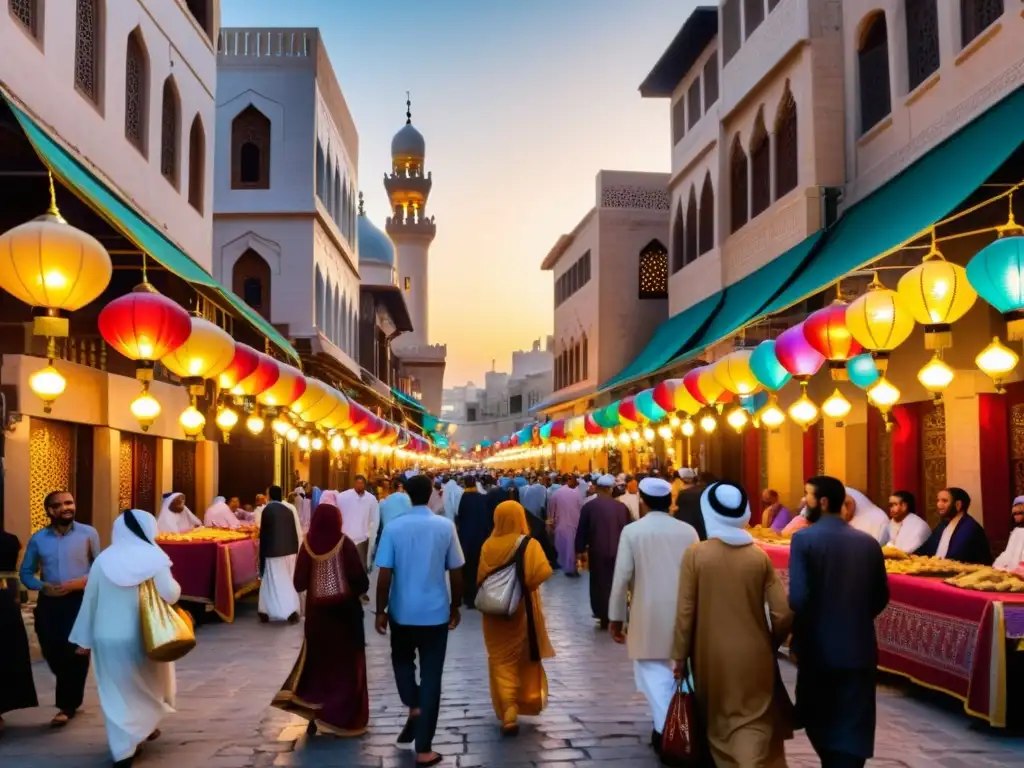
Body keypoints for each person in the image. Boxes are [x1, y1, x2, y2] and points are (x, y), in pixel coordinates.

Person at [672, 482, 794, 767]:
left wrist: (679, 655)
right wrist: (771, 641)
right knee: (756, 720)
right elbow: (782, 612)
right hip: (755, 654)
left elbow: (685, 611)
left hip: (710, 655)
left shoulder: (696, 554)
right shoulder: (759, 556)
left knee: (719, 723)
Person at [790, 475, 889, 768]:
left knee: (818, 714)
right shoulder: (868, 543)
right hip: (859, 645)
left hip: (818, 648)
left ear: (822, 501)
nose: (804, 501)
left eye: (807, 495)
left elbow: (798, 598)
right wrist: (854, 616)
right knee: (854, 717)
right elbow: (880, 595)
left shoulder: (804, 539)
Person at [68, 509, 179, 766]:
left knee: (116, 693)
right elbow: (170, 594)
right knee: (149, 685)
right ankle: (143, 728)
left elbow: (90, 601)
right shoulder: (154, 558)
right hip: (145, 636)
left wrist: (83, 640)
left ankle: (123, 749)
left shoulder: (103, 560)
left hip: (106, 638)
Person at [375, 474, 465, 767]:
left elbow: (384, 574)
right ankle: (424, 747)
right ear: (430, 495)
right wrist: (455, 606)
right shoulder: (444, 526)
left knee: (401, 661)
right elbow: (456, 570)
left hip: (402, 611)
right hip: (435, 613)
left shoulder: (393, 527)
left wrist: (381, 610)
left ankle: (413, 704)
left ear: (405, 495)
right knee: (432, 677)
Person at [609, 477, 699, 755]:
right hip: (686, 609)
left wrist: (615, 616)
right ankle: (673, 723)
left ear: (644, 502)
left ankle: (666, 730)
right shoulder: (688, 531)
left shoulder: (633, 531)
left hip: (647, 610)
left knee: (651, 669)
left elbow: (622, 576)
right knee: (681, 669)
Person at [273, 502, 370, 737]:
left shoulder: (307, 544)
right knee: (345, 666)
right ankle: (342, 717)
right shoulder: (344, 543)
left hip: (318, 617)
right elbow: (360, 579)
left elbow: (299, 583)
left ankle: (318, 713)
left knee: (319, 665)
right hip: (345, 616)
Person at [20, 490, 99, 727]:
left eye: (70, 502)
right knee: (52, 650)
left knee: (75, 652)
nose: (67, 507)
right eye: (60, 504)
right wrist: (42, 586)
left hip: (79, 601)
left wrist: (80, 582)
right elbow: (26, 572)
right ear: (50, 511)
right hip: (50, 602)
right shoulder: (38, 539)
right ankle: (69, 690)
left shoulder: (88, 533)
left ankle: (67, 705)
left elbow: (99, 566)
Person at [478, 500, 554, 735]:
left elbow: (480, 577)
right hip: (520, 609)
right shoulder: (528, 544)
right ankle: (520, 702)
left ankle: (508, 707)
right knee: (519, 655)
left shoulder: (488, 545)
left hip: (492, 614)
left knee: (500, 660)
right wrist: (523, 582)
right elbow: (543, 571)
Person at [575, 475, 631, 629]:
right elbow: (629, 529)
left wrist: (579, 550)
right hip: (619, 550)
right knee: (617, 582)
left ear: (599, 488)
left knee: (599, 583)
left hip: (597, 551)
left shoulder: (589, 507)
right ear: (610, 489)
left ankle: (603, 614)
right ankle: (617, 614)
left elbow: (582, 530)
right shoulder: (621, 507)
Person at [0, 522, 37, 735]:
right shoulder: (13, 540)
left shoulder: (11, 540)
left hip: (4, 598)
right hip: (7, 597)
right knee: (7, 650)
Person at [258, 485, 303, 624]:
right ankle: (273, 610)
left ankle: (278, 610)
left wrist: (261, 555)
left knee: (272, 581)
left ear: (270, 495)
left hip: (272, 553)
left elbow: (264, 535)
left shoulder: (267, 510)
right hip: (288, 552)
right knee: (284, 580)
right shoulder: (287, 509)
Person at [915, 487, 992, 565]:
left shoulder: (970, 528)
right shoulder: (943, 525)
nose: (939, 505)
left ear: (958, 505)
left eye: (944, 501)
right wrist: (908, 557)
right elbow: (926, 548)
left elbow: (956, 558)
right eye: (938, 500)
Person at [456, 475, 492, 609]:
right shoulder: (481, 498)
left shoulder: (464, 498)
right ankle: (479, 594)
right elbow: (485, 517)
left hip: (466, 538)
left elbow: (460, 516)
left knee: (468, 568)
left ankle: (468, 598)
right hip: (480, 537)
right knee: (478, 566)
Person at [337, 476, 379, 571]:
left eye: (361, 483)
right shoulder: (343, 497)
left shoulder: (371, 499)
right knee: (345, 566)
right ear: (354, 484)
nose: (359, 485)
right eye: (357, 483)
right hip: (346, 537)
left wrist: (369, 534)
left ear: (365, 485)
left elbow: (375, 518)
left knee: (360, 566)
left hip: (362, 538)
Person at [549, 475, 583, 577]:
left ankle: (567, 568)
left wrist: (551, 526)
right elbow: (582, 508)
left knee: (564, 548)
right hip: (575, 524)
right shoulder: (576, 494)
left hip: (561, 526)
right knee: (573, 547)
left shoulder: (555, 494)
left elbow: (551, 513)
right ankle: (573, 567)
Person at [674, 468, 707, 540]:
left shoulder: (683, 493)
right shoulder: (704, 490)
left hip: (686, 522)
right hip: (701, 522)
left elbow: (677, 508)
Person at [994, 496, 1024, 571]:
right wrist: (998, 565)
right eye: (1015, 514)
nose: (1016, 516)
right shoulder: (1015, 531)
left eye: (1020, 513)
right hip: (1012, 569)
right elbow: (1008, 552)